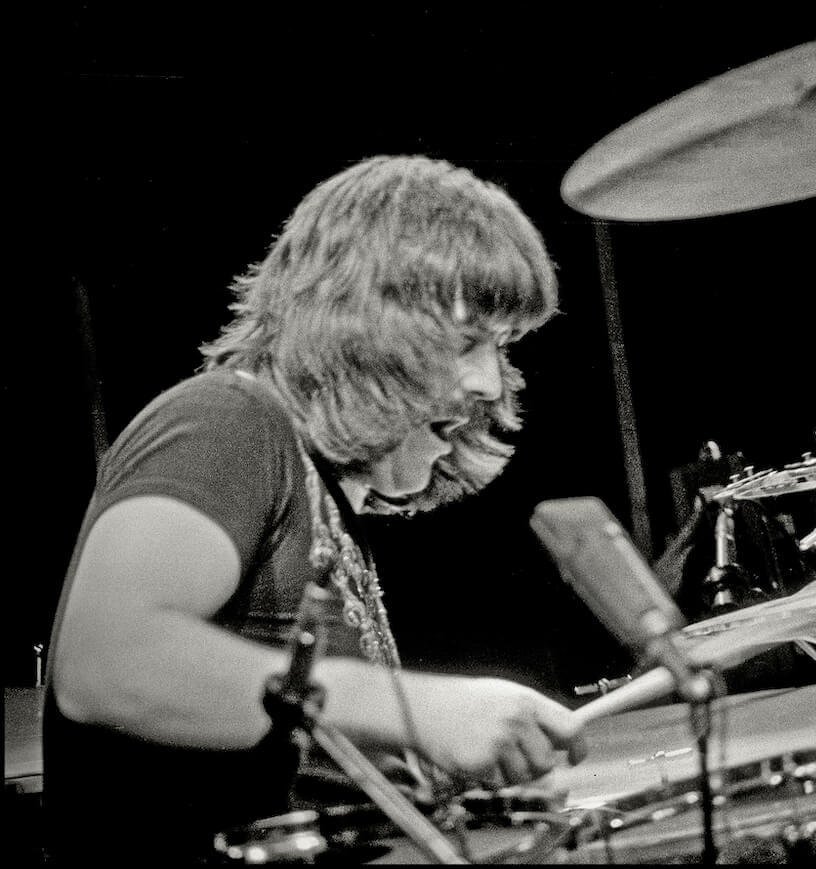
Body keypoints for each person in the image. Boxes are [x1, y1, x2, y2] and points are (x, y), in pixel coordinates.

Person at [43, 155, 586, 862]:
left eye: (501, 346)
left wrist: (442, 764)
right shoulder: (228, 419)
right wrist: (417, 710)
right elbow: (106, 661)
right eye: (465, 343)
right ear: (366, 326)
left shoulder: (321, 496)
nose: (489, 381)